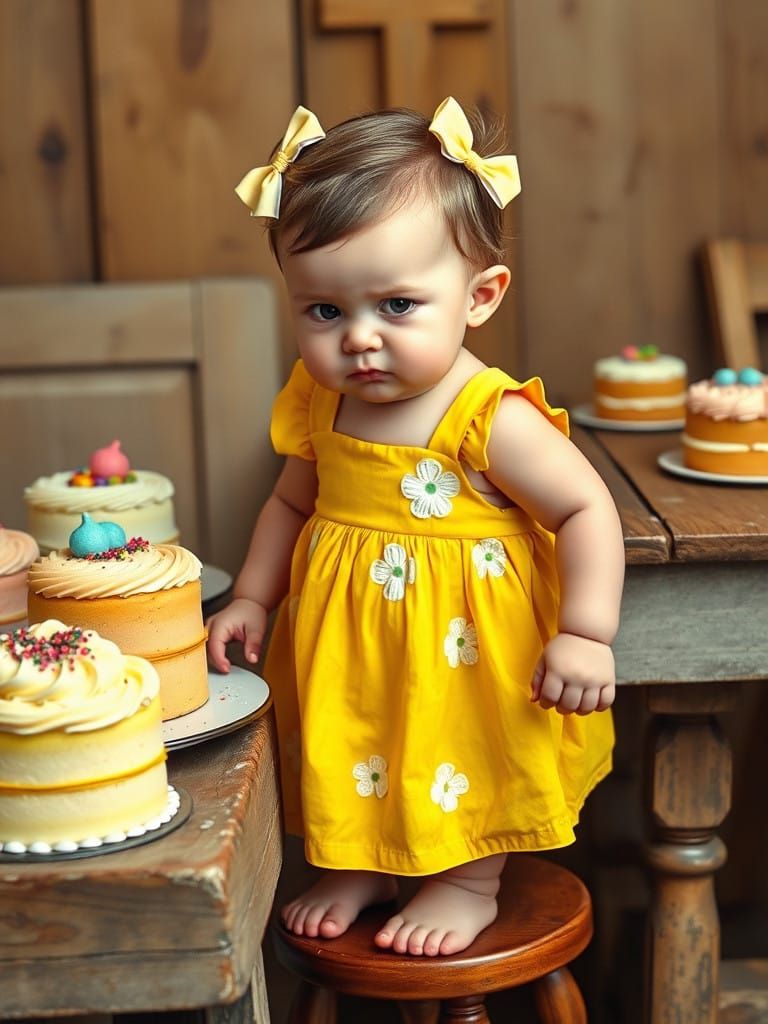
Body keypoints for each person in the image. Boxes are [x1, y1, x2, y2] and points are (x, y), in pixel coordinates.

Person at [207, 97, 625, 958]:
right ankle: (361, 862)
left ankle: (467, 881)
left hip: (464, 652)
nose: (359, 340)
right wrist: (251, 596)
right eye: (324, 312)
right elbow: (291, 503)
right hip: (353, 642)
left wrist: (587, 632)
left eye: (397, 305)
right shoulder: (321, 401)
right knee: (358, 737)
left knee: (456, 747)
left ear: (480, 297)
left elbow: (586, 508)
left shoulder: (488, 415)